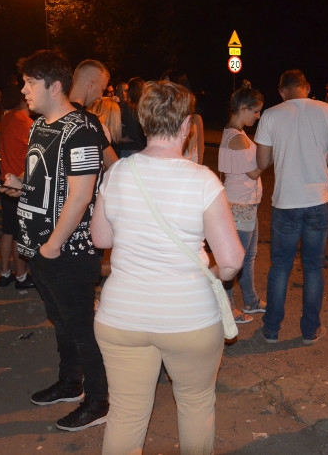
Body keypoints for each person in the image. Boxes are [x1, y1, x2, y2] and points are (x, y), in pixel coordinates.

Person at [91, 80, 244, 455]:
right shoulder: (202, 180)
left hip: (122, 316)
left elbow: (101, 238)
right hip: (188, 317)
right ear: (187, 125)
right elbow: (231, 261)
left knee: (126, 414)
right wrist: (214, 276)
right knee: (195, 403)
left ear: (143, 122)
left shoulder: (118, 173)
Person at [0, 50, 109, 432]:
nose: (24, 89)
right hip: (41, 249)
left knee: (80, 327)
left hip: (67, 251)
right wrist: (21, 186)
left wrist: (52, 246)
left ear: (55, 86)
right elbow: (49, 182)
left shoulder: (82, 129)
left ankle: (99, 401)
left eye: (31, 82)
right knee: (61, 322)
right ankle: (70, 383)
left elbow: (81, 195)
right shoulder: (41, 126)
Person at [255, 69, 328, 345]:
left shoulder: (271, 115)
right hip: (318, 200)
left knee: (280, 267)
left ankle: (271, 329)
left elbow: (262, 162)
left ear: (282, 92)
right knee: (314, 268)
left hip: (286, 202)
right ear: (306, 87)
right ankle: (310, 330)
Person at [218, 86, 267, 325]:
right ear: (243, 108)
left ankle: (251, 300)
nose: (258, 116)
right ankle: (227, 308)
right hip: (240, 205)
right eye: (256, 111)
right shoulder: (237, 138)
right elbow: (253, 172)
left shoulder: (236, 133)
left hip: (245, 204)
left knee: (247, 257)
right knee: (236, 260)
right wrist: (271, 153)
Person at [0, 82, 34, 290]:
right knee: (20, 234)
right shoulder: (24, 122)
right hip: (19, 186)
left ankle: (5, 273)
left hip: (5, 180)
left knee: (7, 231)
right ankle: (21, 276)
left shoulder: (7, 118)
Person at [69, 59, 119, 168]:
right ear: (91, 84)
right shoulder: (89, 122)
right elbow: (114, 165)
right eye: (102, 90)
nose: (100, 97)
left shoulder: (48, 115)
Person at [118, 76, 147, 157]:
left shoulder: (126, 108)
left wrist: (121, 138)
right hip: (144, 149)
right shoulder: (147, 108)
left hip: (129, 149)